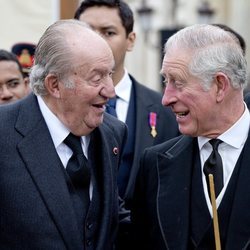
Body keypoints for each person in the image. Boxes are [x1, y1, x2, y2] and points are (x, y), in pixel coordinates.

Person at [0, 19, 127, 249]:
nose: (110, 90)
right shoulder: (3, 134)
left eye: (110, 74)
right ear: (54, 85)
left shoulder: (112, 133)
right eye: (96, 78)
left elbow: (111, 220)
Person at [131, 24, 249, 249]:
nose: (165, 99)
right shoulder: (154, 165)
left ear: (220, 85)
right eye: (166, 81)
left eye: (178, 82)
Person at [74, 0, 179, 208]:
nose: (96, 41)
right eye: (87, 32)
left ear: (130, 40)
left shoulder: (165, 109)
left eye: (108, 32)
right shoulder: (59, 106)